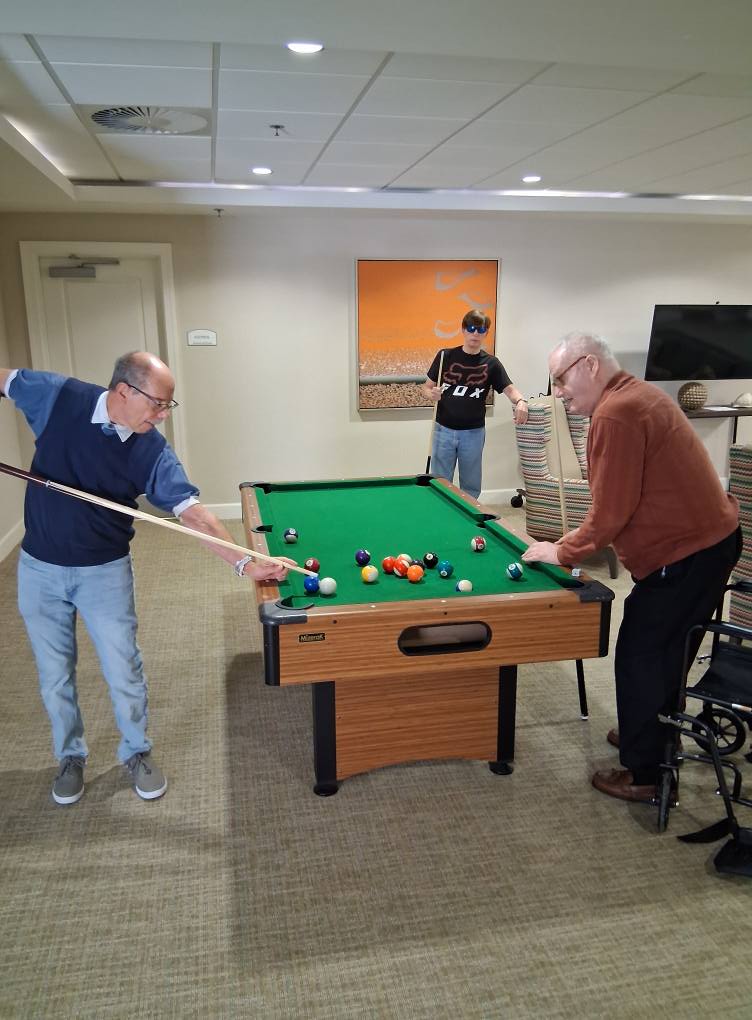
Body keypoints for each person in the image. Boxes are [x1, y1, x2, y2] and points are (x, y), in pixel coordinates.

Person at [0, 353, 290, 806]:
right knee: (54, 675)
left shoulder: (150, 447)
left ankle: (136, 751)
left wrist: (243, 563)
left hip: (104, 573)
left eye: (166, 407)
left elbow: (193, 514)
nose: (161, 416)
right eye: (158, 404)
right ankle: (70, 757)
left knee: (124, 670)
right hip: (40, 569)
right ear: (122, 392)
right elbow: (5, 381)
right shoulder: (59, 397)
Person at [521, 331, 741, 805]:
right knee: (670, 650)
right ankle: (656, 734)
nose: (559, 391)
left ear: (589, 366)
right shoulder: (639, 394)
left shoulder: (616, 414)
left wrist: (559, 551)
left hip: (686, 553)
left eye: (561, 379)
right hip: (712, 542)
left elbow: (609, 513)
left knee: (641, 654)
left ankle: (645, 773)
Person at [422, 309, 528, 500]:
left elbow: (510, 389)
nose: (475, 334)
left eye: (481, 330)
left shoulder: (492, 364)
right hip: (443, 430)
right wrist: (432, 394)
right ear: (463, 330)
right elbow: (426, 388)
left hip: (473, 433)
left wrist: (521, 401)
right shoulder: (445, 356)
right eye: (471, 328)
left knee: (470, 485)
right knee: (439, 481)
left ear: (486, 333)